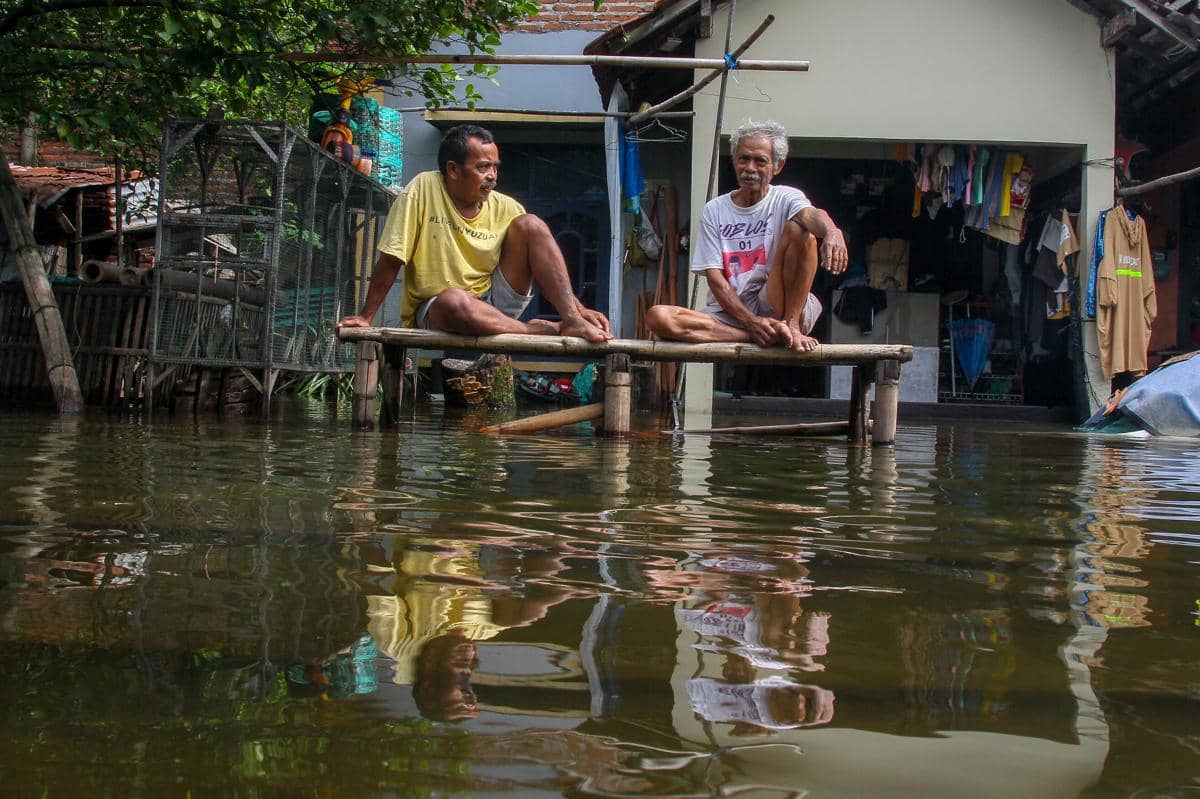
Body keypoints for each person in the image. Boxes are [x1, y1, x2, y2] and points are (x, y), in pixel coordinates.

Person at [336, 124, 611, 342]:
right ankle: (538, 331)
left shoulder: (507, 207)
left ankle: (569, 321)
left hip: (496, 303)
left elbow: (546, 268)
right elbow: (392, 257)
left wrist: (578, 310)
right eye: (482, 167)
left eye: (495, 167)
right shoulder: (423, 188)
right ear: (453, 170)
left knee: (532, 225)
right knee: (454, 300)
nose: (492, 175)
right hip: (440, 308)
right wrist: (366, 316)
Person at [645, 119, 849, 352]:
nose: (749, 168)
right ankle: (755, 336)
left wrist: (833, 232)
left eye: (760, 161)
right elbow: (715, 279)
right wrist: (751, 324)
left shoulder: (785, 197)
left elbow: (812, 215)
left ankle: (791, 327)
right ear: (734, 160)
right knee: (658, 316)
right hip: (731, 311)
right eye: (743, 159)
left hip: (776, 300)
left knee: (801, 231)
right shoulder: (715, 209)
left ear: (777, 166)